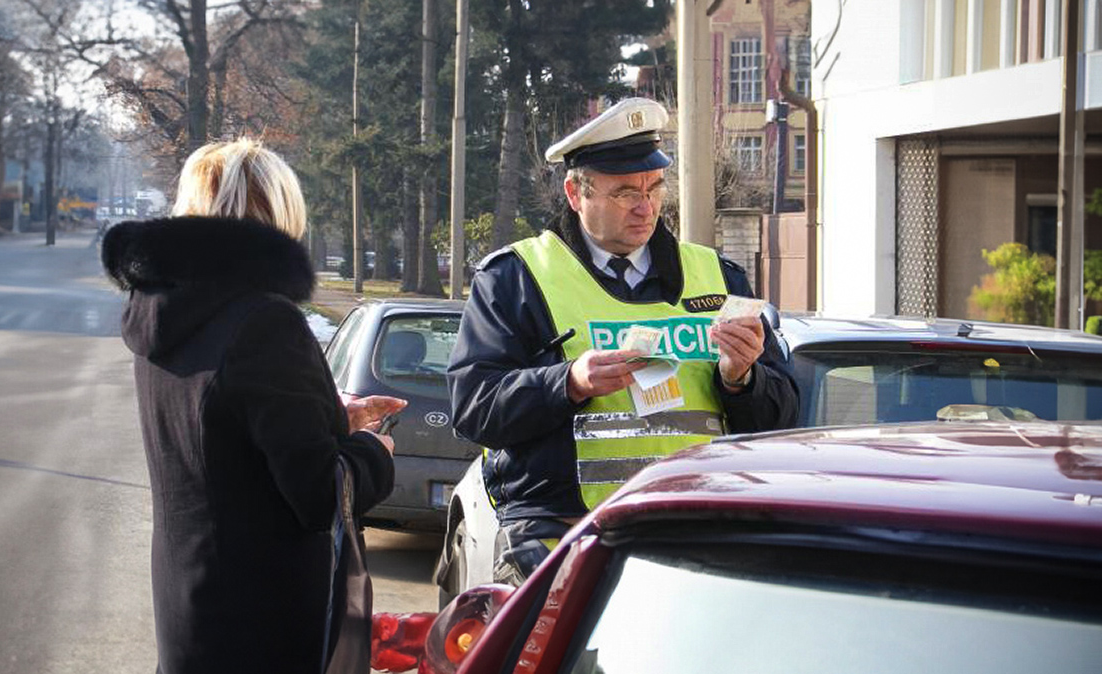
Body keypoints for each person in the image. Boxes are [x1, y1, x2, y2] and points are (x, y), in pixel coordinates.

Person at [446, 98, 799, 586]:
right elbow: (473, 408)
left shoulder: (720, 277)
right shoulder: (516, 278)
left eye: (655, 188)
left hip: (692, 539)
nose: (646, 207)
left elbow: (781, 422)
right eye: (624, 192)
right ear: (575, 192)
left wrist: (743, 380)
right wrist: (567, 381)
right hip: (561, 540)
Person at [101, 139, 404, 674]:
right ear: (279, 213)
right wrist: (370, 450)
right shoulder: (265, 320)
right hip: (264, 627)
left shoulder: (159, 309)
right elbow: (315, 495)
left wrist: (335, 420)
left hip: (192, 610)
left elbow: (220, 441)